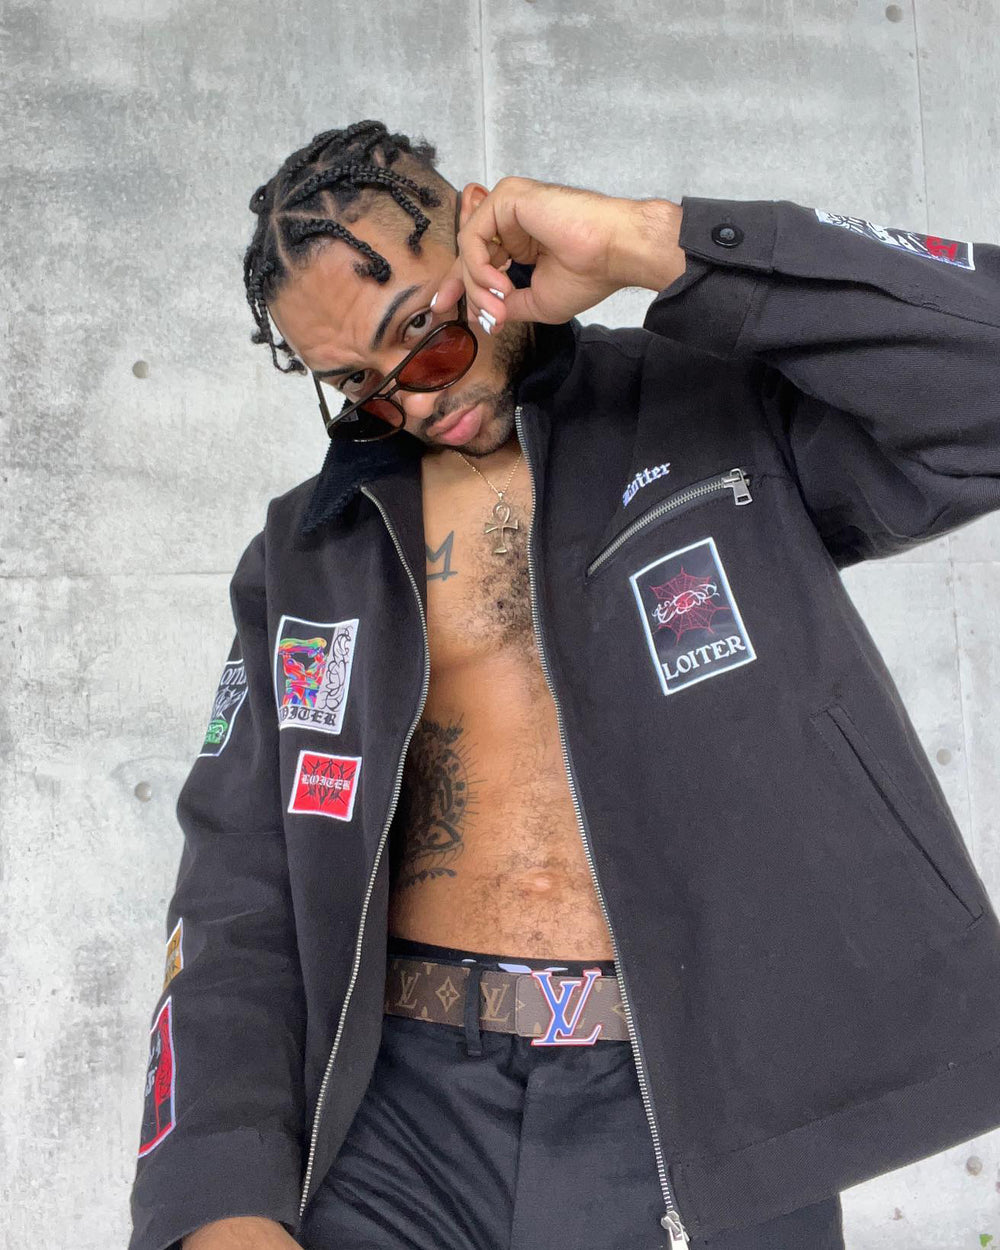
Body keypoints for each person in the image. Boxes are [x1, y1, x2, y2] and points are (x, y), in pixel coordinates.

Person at [128, 119, 1000, 1250]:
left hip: (702, 1106)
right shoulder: (310, 553)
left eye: (424, 336)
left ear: (484, 235)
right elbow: (236, 887)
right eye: (358, 387)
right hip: (399, 1133)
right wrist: (217, 1199)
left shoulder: (713, 411)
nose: (414, 401)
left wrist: (656, 244)